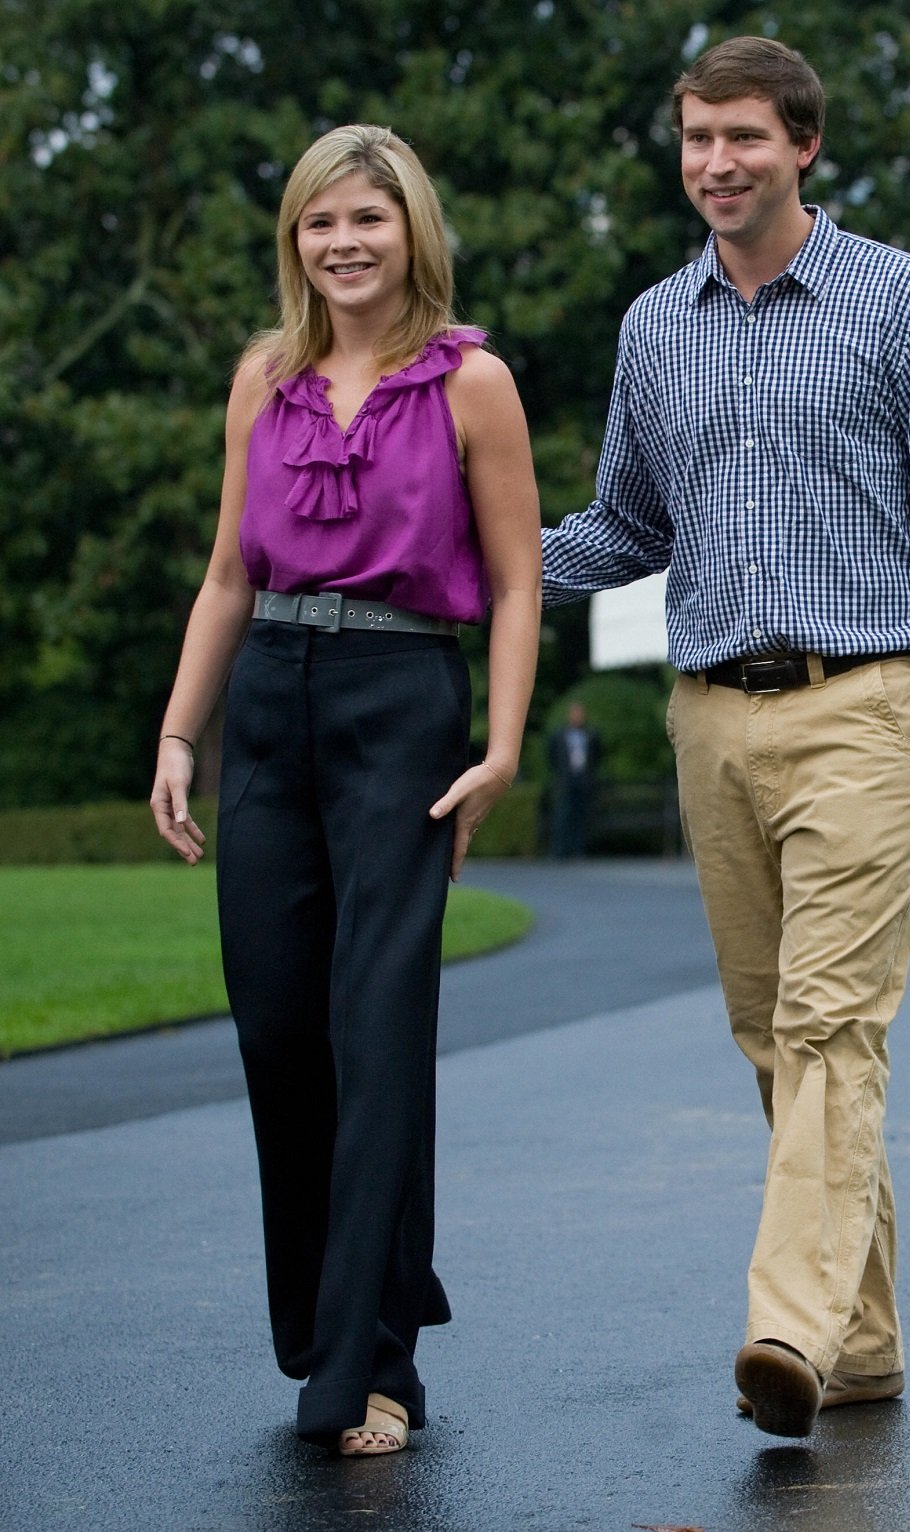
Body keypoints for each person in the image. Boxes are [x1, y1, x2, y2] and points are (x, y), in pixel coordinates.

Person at [540, 37, 910, 1438]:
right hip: (710, 720)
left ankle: (787, 1331)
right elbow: (624, 527)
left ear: (804, 145)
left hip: (866, 703)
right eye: (697, 139)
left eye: (744, 136)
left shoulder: (901, 300)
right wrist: (471, 550)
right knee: (772, 1036)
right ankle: (862, 1340)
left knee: (832, 1023)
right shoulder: (654, 325)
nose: (716, 164)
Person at [150, 124, 541, 1455]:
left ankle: (377, 1369)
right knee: (277, 1032)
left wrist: (498, 744)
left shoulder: (473, 382)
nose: (344, 243)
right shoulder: (264, 377)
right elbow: (226, 575)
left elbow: (515, 579)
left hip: (402, 713)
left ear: (410, 229)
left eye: (367, 217)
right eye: (321, 223)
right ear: (296, 241)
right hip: (266, 705)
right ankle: (325, 1330)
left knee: (377, 1036)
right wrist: (177, 737)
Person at [546, 700, 603, 857]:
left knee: (582, 816)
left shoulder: (591, 734)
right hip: (566, 780)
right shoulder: (559, 735)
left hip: (584, 780)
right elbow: (552, 756)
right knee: (562, 815)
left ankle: (579, 850)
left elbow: (597, 756)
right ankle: (559, 851)